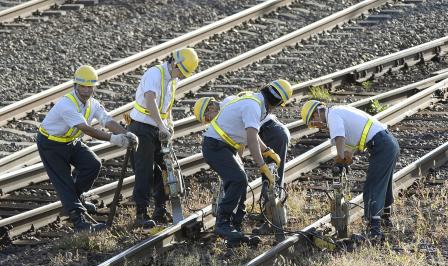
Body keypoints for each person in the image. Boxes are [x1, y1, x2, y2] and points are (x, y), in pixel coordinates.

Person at [37, 65, 138, 233]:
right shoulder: (67, 105)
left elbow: (107, 120)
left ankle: (76, 198)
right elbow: (87, 129)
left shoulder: (93, 104)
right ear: (75, 85)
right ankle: (79, 222)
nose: (85, 90)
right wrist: (115, 139)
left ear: (94, 88)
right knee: (64, 181)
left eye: (89, 87)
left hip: (70, 141)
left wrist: (127, 134)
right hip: (51, 144)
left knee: (92, 164)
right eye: (82, 86)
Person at [194, 79, 293, 244]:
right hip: (215, 146)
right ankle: (223, 223)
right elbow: (252, 138)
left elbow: (253, 138)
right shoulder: (254, 106)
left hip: (224, 146)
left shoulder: (256, 104)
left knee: (239, 182)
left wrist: (267, 150)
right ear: (278, 102)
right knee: (239, 179)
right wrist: (262, 165)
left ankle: (236, 227)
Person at [300, 100, 400, 239]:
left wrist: (340, 159)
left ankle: (374, 230)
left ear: (316, 113)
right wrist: (345, 160)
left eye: (312, 122)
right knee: (384, 183)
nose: (316, 126)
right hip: (388, 142)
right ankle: (385, 220)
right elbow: (350, 146)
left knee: (373, 185)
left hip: (382, 144)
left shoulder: (332, 115)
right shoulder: (338, 111)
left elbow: (340, 137)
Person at [127, 48, 199, 228]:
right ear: (175, 63)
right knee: (144, 170)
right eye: (181, 71)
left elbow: (166, 106)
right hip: (142, 127)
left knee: (164, 169)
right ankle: (141, 213)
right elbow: (150, 100)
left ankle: (160, 208)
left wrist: (169, 124)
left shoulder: (172, 80)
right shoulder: (155, 73)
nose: (182, 76)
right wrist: (161, 125)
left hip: (157, 128)